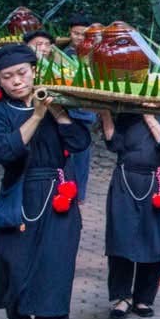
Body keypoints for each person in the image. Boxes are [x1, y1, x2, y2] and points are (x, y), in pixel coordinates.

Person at [0, 44, 90, 319]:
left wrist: (59, 114)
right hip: (19, 197)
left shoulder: (58, 100)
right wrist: (35, 116)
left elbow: (80, 144)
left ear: (34, 71)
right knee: (14, 276)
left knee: (54, 279)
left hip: (59, 196)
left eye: (22, 73)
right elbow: (6, 152)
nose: (17, 81)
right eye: (7, 77)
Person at [98, 109, 160, 319]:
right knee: (121, 238)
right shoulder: (127, 110)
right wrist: (105, 115)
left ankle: (144, 297)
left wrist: (149, 116)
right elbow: (114, 144)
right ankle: (121, 297)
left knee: (154, 238)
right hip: (125, 178)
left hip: (156, 181)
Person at [60, 13, 95, 201]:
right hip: (66, 110)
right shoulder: (62, 55)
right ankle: (64, 189)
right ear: (70, 33)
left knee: (83, 154)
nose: (79, 37)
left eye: (83, 34)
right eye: (75, 33)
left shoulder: (93, 55)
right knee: (65, 153)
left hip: (86, 112)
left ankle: (79, 194)